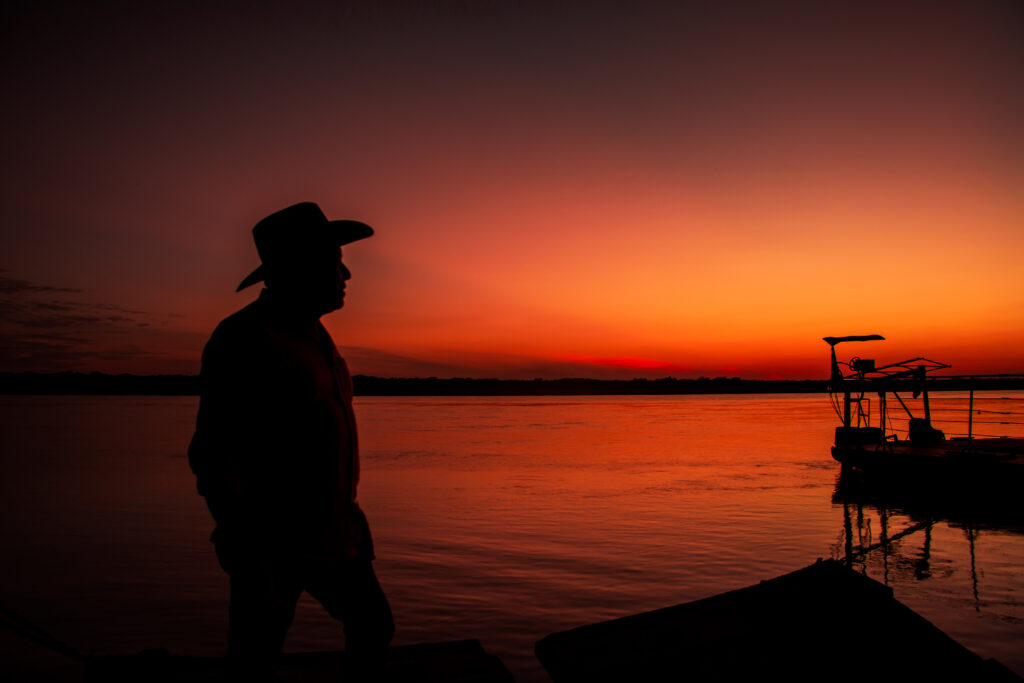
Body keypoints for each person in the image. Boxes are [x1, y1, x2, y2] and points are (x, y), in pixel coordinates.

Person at [188, 202, 394, 681]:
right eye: (333, 261)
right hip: (270, 542)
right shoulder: (245, 338)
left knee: (373, 626)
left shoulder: (318, 337)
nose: (345, 272)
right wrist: (245, 544)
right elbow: (214, 453)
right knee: (255, 655)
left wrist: (351, 519)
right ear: (297, 267)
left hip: (336, 536)